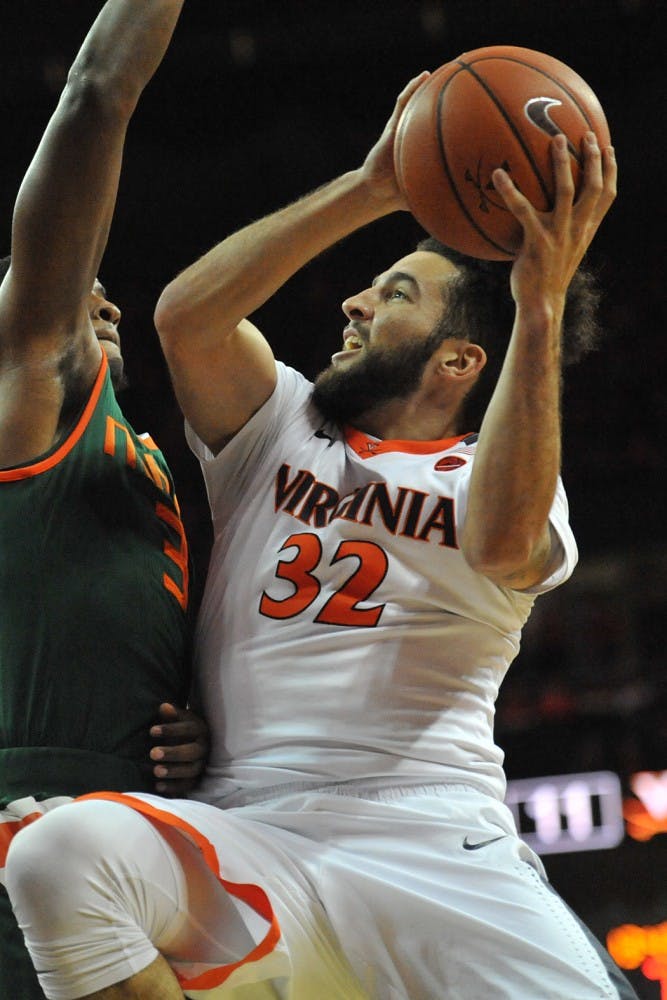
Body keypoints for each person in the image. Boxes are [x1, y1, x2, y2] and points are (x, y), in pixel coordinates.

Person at [5, 71, 636, 1000]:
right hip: (255, 830)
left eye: (392, 296)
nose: (352, 305)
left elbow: (503, 546)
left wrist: (536, 309)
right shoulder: (283, 424)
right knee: (59, 852)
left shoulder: (505, 481)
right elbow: (188, 318)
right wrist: (374, 184)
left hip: (428, 838)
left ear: (459, 359)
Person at [0, 3, 211, 997]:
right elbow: (96, 93)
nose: (103, 298)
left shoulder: (129, 450)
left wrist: (195, 729)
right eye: (77, 290)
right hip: (25, 817)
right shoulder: (29, 404)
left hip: (133, 824)